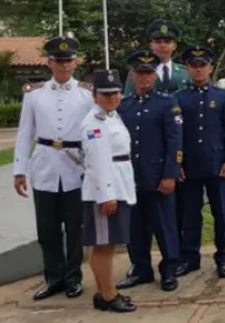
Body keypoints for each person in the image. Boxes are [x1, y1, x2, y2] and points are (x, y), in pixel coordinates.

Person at [13, 37, 94, 301]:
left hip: (75, 166)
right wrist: (18, 170)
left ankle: (73, 278)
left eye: (69, 60)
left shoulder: (87, 93)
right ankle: (54, 278)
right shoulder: (35, 94)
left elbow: (94, 132)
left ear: (76, 62)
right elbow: (25, 133)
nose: (64, 65)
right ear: (49, 63)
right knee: (46, 229)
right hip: (45, 166)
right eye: (59, 61)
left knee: (75, 228)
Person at [116, 50, 184, 292]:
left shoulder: (167, 103)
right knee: (135, 228)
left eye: (148, 73)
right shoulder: (125, 106)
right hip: (131, 179)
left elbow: (175, 143)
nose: (144, 78)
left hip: (158, 178)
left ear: (154, 76)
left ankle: (168, 271)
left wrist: (170, 174)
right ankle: (141, 269)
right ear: (132, 76)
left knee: (164, 226)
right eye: (139, 73)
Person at [176, 46, 225, 278]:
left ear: (210, 68)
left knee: (221, 214)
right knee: (190, 216)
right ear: (188, 70)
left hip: (217, 165)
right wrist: (177, 165)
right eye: (194, 66)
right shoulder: (179, 98)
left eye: (203, 66)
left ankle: (224, 258)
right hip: (190, 167)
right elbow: (176, 135)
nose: (199, 70)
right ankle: (190, 258)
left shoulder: (222, 96)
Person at [80, 69, 138, 313]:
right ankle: (108, 295)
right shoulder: (95, 122)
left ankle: (105, 291)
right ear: (95, 96)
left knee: (108, 244)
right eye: (105, 94)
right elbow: (97, 160)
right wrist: (107, 195)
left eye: (115, 93)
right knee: (103, 246)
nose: (112, 97)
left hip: (119, 184)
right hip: (105, 190)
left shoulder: (112, 116)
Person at [124, 19, 191, 97]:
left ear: (174, 46)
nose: (162, 45)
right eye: (158, 41)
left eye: (167, 41)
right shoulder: (136, 73)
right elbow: (128, 101)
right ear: (151, 45)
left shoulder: (186, 73)